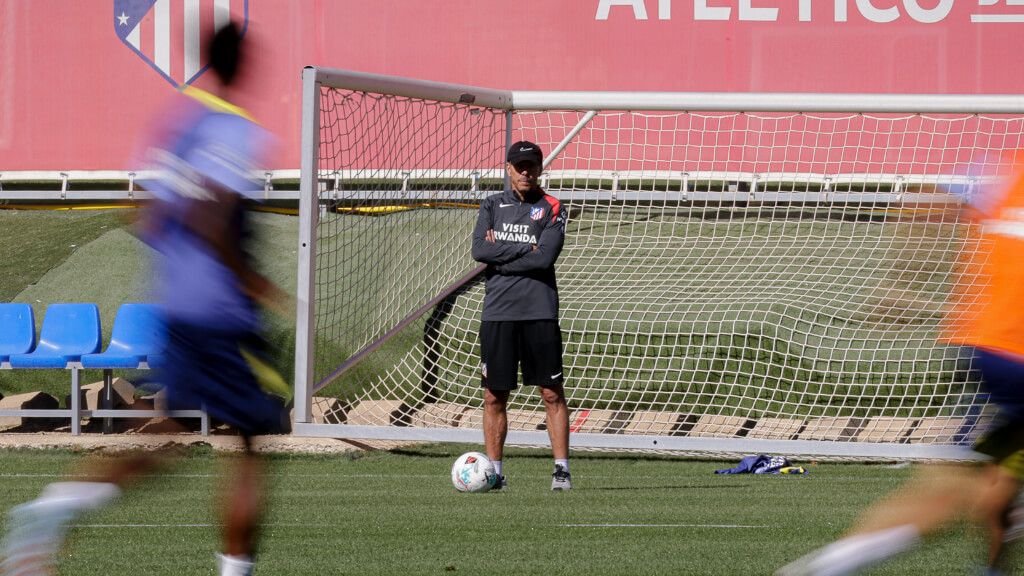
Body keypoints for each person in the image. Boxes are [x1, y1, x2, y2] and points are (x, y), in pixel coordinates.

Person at [1, 21, 288, 576]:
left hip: (178, 305)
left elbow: (149, 214)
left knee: (172, 437)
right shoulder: (235, 132)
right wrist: (251, 281)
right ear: (243, 62)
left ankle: (53, 509)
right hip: (219, 311)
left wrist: (181, 270)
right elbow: (213, 213)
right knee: (253, 440)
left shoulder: (178, 126)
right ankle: (235, 571)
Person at [776, 154, 1024, 576]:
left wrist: (901, 280)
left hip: (985, 350)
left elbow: (934, 196)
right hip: (1012, 354)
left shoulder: (1009, 169)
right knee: (972, 484)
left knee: (978, 481)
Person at [471, 141, 572, 491]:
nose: (526, 172)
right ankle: (495, 473)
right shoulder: (491, 204)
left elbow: (544, 259)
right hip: (498, 312)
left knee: (550, 392)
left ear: (541, 169)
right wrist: (523, 248)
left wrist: (501, 254)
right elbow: (478, 250)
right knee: (493, 396)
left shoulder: (553, 207)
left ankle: (561, 470)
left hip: (539, 311)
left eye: (532, 166)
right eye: (519, 166)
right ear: (508, 169)